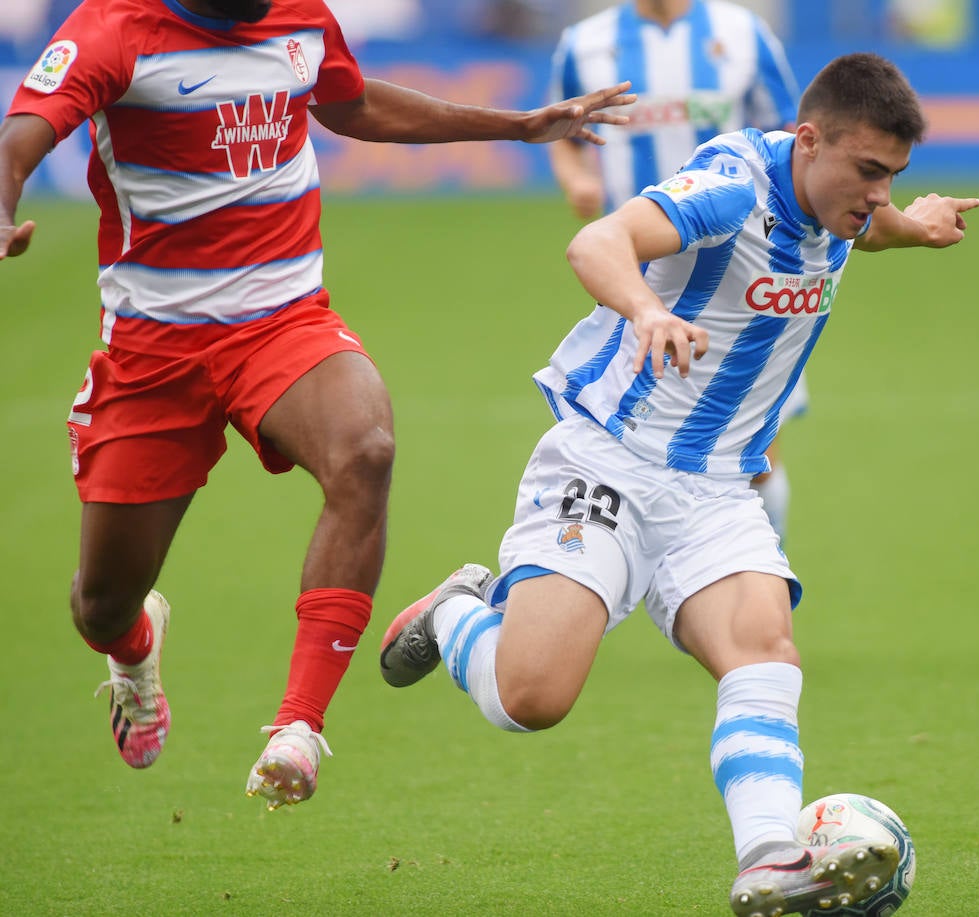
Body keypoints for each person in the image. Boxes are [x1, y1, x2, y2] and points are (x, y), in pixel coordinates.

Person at [380, 52, 979, 915]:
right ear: (806, 141)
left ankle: (770, 858)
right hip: (607, 459)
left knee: (765, 649)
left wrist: (912, 225)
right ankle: (453, 611)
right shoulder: (733, 187)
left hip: (716, 490)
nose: (879, 192)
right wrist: (650, 310)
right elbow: (598, 240)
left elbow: (857, 228)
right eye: (870, 171)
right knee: (531, 700)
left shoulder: (845, 205)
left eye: (895, 176)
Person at [0, 0, 633, 810]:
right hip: (155, 349)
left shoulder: (298, 16)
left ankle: (298, 728)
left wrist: (515, 126)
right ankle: (134, 644)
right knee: (102, 602)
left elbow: (351, 101)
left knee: (364, 448)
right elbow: (25, 130)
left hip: (285, 320)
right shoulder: (113, 28)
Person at [547, 0, 805, 542]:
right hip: (637, 276)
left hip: (743, 275)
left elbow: (797, 143)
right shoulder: (585, 44)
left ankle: (762, 569)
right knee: (626, 433)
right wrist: (577, 183)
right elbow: (565, 139)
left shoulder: (743, 34)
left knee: (752, 449)